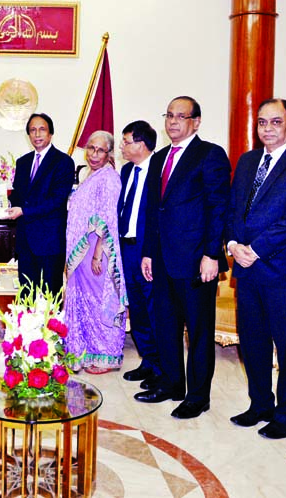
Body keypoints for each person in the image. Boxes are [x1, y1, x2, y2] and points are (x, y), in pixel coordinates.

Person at [225, 98, 286, 439]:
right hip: (246, 270)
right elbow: (234, 208)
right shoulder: (249, 160)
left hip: (280, 270)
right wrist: (234, 245)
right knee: (252, 342)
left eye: (275, 122)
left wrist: (257, 248)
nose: (267, 128)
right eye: (262, 122)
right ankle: (259, 405)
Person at [135, 96, 232, 421]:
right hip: (161, 259)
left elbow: (218, 207)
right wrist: (148, 251)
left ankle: (197, 396)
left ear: (196, 122)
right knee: (166, 325)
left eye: (181, 116)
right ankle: (172, 383)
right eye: (169, 116)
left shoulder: (210, 155)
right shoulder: (160, 157)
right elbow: (152, 209)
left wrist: (211, 254)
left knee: (199, 330)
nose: (173, 122)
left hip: (195, 260)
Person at [64, 131, 127, 373]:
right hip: (82, 252)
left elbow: (107, 219)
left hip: (95, 253)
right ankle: (87, 351)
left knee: (99, 302)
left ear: (109, 153)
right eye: (91, 148)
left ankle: (106, 355)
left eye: (100, 150)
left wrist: (98, 253)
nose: (94, 154)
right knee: (85, 303)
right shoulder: (91, 176)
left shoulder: (109, 178)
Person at [6, 113, 75, 295]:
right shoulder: (23, 162)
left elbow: (56, 199)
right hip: (25, 241)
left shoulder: (63, 162)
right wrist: (4, 204)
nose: (37, 134)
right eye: (32, 130)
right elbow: (18, 195)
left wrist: (24, 211)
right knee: (26, 296)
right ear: (28, 135)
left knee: (50, 298)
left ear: (51, 133)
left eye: (42, 129)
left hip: (50, 242)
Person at [116, 121, 159, 385]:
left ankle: (161, 367)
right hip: (127, 249)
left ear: (141, 145)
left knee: (155, 311)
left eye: (126, 141)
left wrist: (151, 252)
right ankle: (147, 360)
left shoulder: (159, 170)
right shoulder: (125, 171)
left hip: (148, 252)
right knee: (139, 310)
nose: (122, 146)